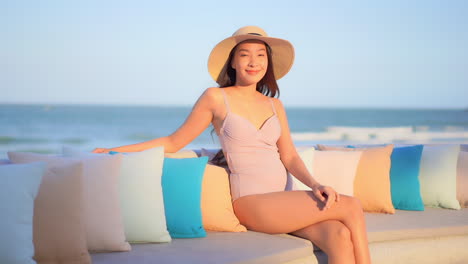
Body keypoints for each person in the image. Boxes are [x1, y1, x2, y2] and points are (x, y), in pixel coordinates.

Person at [94, 26, 371, 264]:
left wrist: (315, 184)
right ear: (233, 62)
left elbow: (289, 156)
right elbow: (173, 141)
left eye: (261, 55)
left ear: (268, 63)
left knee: (339, 236)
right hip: (253, 204)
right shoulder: (216, 97)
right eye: (245, 54)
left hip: (285, 202)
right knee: (351, 205)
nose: (254, 61)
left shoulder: (275, 105)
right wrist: (113, 151)